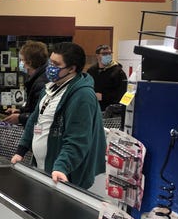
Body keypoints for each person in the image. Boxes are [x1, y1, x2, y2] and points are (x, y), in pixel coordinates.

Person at [10, 42, 106, 188]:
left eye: (56, 64)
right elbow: (35, 120)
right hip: (43, 170)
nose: (50, 68)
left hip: (64, 176)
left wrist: (62, 167)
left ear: (72, 68)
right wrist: (21, 151)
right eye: (50, 62)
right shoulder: (51, 88)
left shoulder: (82, 96)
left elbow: (77, 139)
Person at [2, 41, 49, 126]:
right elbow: (34, 108)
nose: (20, 63)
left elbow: (41, 115)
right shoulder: (39, 77)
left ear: (29, 62)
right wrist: (20, 111)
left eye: (22, 60)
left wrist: (20, 118)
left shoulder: (41, 83)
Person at [87, 44, 127, 111]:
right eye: (104, 54)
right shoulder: (91, 71)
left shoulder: (118, 72)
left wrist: (103, 96)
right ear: (97, 55)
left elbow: (122, 94)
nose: (108, 56)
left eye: (109, 53)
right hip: (93, 107)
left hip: (110, 111)